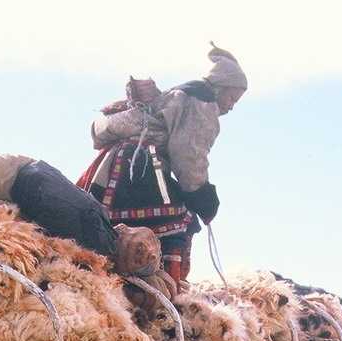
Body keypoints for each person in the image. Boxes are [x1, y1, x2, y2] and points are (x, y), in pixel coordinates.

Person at [77, 44, 247, 286]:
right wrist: (203, 198)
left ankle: (107, 280)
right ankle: (170, 289)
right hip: (144, 168)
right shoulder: (202, 101)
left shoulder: (178, 94)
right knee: (176, 226)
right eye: (233, 98)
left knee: (108, 229)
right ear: (220, 87)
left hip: (117, 167)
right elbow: (189, 154)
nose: (231, 106)